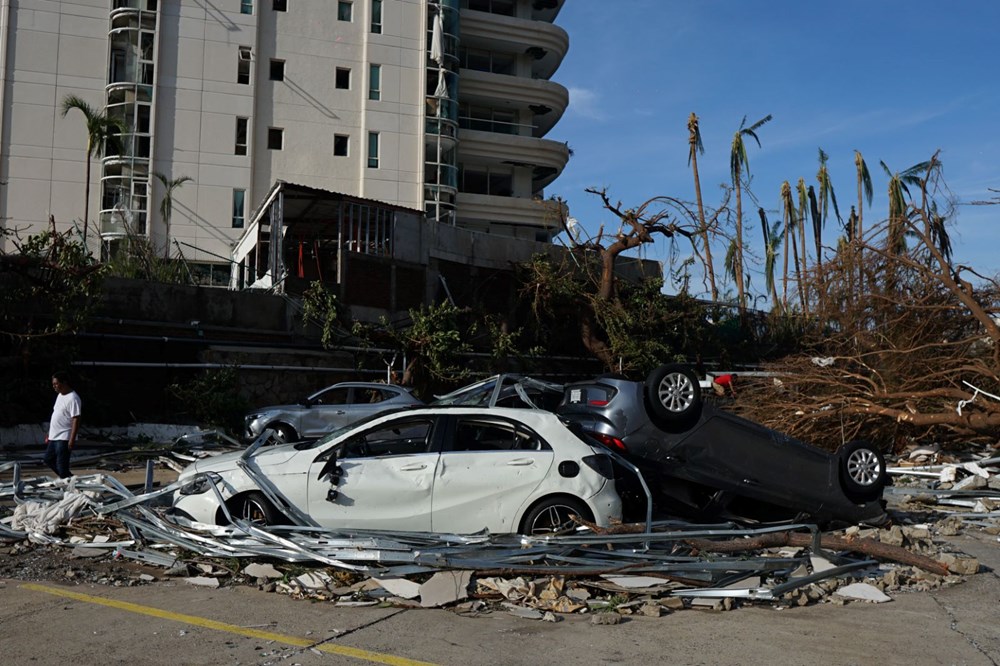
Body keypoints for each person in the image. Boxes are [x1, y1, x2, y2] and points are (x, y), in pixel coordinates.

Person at [44, 371, 81, 479]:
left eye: (56, 383)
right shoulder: (60, 395)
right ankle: (68, 478)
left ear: (64, 383)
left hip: (64, 436)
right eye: (53, 384)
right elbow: (56, 414)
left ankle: (67, 484)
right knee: (48, 459)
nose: (54, 386)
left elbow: (76, 419)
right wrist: (49, 433)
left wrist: (72, 439)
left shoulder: (73, 398)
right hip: (54, 436)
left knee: (62, 465)